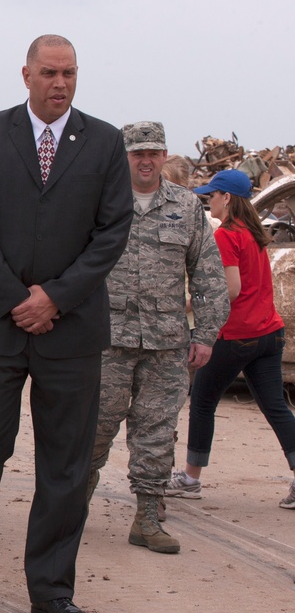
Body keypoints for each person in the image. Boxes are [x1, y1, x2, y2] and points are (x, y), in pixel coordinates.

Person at [0, 35, 133, 613]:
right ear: (25, 74)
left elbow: (112, 230)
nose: (60, 83)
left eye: (69, 73)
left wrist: (56, 296)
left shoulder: (103, 142)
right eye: (49, 72)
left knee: (66, 466)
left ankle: (50, 587)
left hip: (70, 331)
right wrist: (19, 299)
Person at [87, 122, 229, 554]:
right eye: (137, 153)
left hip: (167, 344)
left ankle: (147, 517)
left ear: (165, 155)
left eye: (154, 152)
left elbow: (207, 276)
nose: (146, 160)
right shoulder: (99, 202)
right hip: (106, 341)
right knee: (94, 427)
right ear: (123, 156)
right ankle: (72, 505)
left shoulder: (186, 207)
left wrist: (205, 333)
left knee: (156, 431)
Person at [169, 169, 295, 509]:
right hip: (269, 332)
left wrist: (192, 303)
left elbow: (232, 289)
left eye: (212, 197)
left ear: (228, 198)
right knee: (276, 408)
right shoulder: (255, 233)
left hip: (236, 335)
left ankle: (191, 478)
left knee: (203, 401)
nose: (210, 203)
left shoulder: (226, 235)